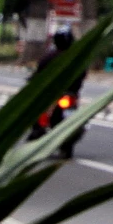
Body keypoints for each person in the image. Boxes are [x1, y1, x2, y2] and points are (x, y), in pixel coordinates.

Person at [33, 28, 87, 158]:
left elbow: (38, 75)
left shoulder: (49, 57)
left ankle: (40, 128)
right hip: (69, 95)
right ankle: (41, 128)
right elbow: (83, 75)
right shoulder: (76, 57)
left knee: (40, 109)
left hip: (56, 95)